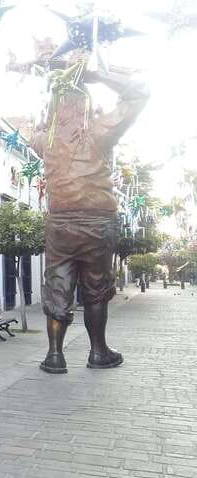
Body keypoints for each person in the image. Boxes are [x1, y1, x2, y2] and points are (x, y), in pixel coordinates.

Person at [32, 67, 149, 373]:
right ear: (86, 105)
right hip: (97, 219)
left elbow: (22, 126)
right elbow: (139, 92)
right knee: (95, 287)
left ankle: (54, 355)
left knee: (58, 283)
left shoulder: (47, 139)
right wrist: (97, 74)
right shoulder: (99, 130)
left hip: (59, 222)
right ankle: (98, 351)